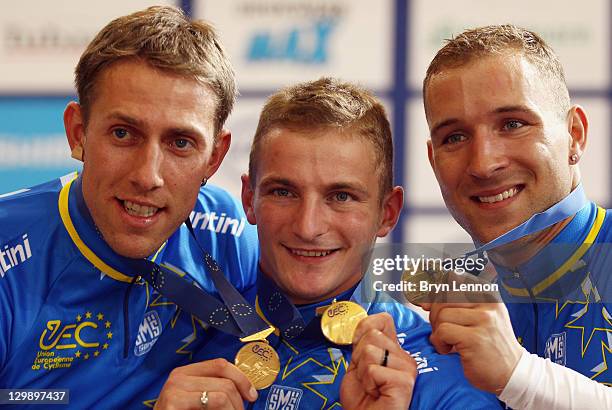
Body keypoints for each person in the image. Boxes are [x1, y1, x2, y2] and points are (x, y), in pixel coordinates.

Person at [155, 77, 501, 409]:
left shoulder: (445, 376)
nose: (308, 227)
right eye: (283, 192)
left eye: (341, 196)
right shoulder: (181, 340)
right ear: (249, 199)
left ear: (387, 213)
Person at [0, 6, 259, 407]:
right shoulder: (8, 258)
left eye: (180, 143)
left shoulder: (224, 235)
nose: (147, 176)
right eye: (123, 133)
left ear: (215, 157)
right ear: (78, 133)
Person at [423, 24, 612, 408]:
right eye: (455, 137)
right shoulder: (433, 309)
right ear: (432, 159)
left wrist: (518, 375)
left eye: (512, 124)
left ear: (574, 135)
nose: (483, 163)